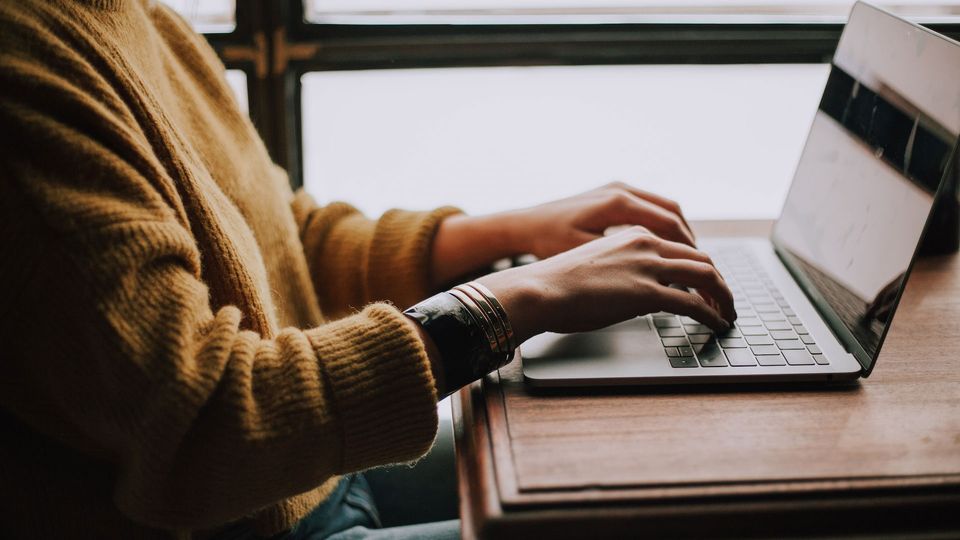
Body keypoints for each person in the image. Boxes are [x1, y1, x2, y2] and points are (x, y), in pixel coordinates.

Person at [0, 1, 736, 538]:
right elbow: (204, 428)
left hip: (306, 481)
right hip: (244, 520)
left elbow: (281, 238)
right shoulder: (25, 69)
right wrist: (512, 301)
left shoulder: (130, 14)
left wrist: (513, 233)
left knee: (668, 476)